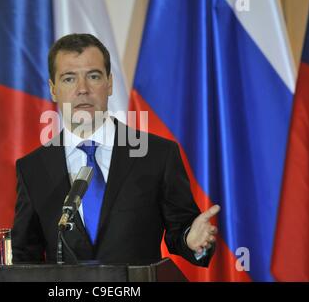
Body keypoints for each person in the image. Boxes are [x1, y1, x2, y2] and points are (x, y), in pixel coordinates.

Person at [12, 33, 220, 266]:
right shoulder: (33, 168)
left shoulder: (158, 155)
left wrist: (191, 240)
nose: (83, 89)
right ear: (53, 89)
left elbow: (181, 230)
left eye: (93, 76)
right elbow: (24, 257)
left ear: (109, 83)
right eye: (69, 79)